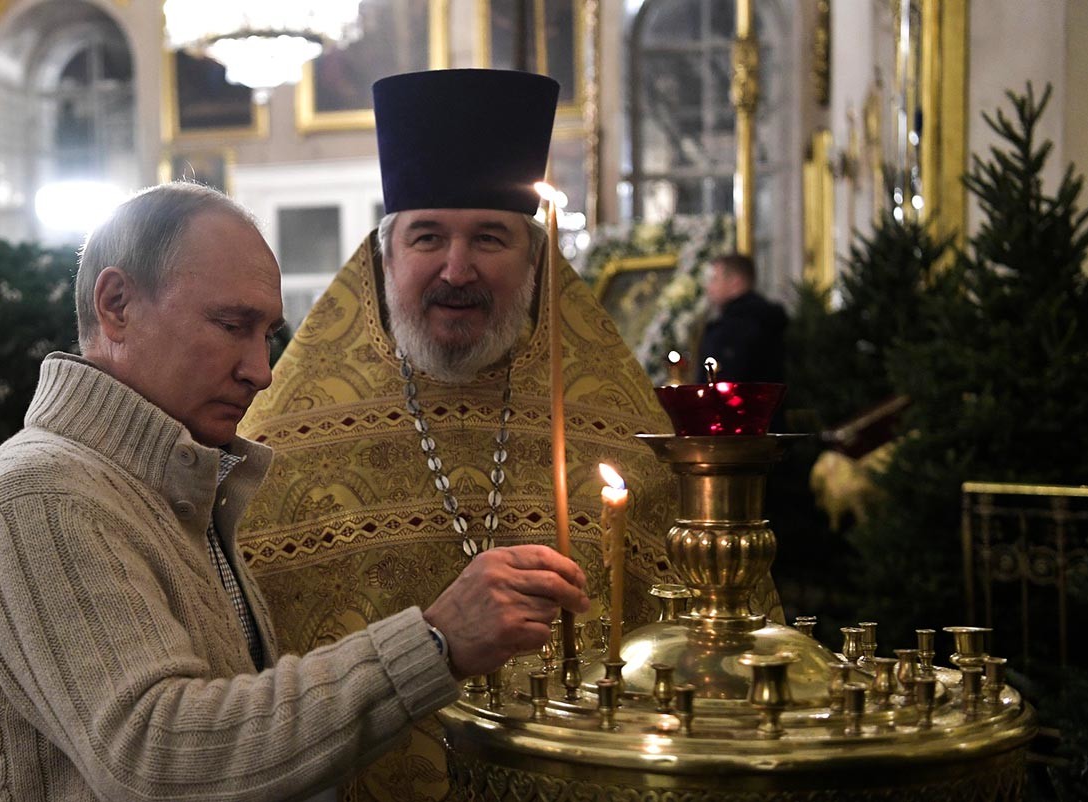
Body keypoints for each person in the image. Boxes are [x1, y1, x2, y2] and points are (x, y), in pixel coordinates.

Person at [0, 181, 589, 802]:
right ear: (117, 306)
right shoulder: (43, 495)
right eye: (231, 325)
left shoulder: (170, 483)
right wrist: (437, 643)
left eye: (267, 334)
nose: (261, 371)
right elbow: (158, 758)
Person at [236, 69, 784, 802]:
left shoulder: (625, 445)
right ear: (383, 257)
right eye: (427, 236)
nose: (456, 269)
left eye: (489, 238)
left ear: (535, 263)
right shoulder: (277, 455)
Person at [698, 253, 788, 384]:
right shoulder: (766, 318)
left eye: (715, 279)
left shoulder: (735, 328)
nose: (709, 287)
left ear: (735, 282)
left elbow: (724, 381)